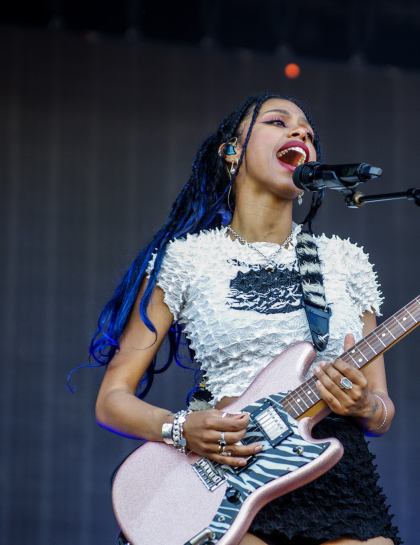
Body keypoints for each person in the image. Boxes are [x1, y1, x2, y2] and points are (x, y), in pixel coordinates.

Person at [89, 93, 401, 545]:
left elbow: (382, 410)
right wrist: (180, 428)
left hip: (332, 472)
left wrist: (365, 405)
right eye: (279, 122)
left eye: (309, 133)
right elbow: (112, 399)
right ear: (230, 150)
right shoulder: (186, 260)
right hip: (230, 468)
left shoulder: (345, 262)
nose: (300, 134)